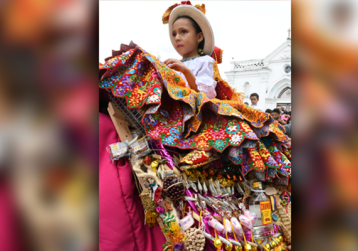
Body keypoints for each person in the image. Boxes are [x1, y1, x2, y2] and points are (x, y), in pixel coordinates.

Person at [99, 1, 291, 183]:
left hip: (197, 110)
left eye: (183, 32)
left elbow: (205, 93)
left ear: (199, 37)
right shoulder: (174, 63)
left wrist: (185, 71)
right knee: (141, 61)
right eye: (174, 34)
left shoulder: (205, 61)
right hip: (177, 110)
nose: (177, 38)